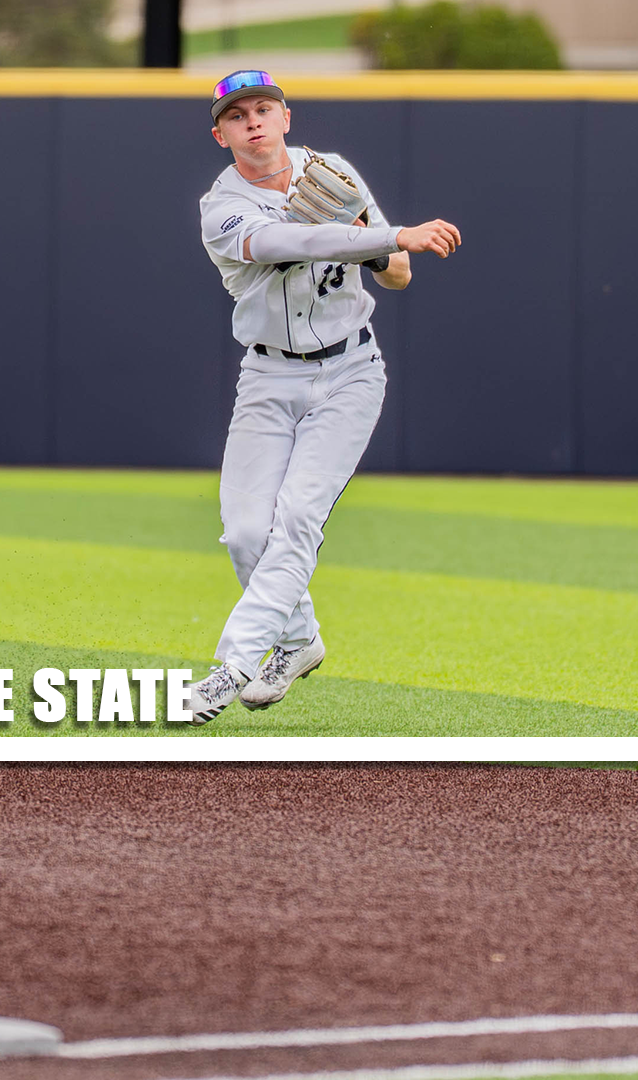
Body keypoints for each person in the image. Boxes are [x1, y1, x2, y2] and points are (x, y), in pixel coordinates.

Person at [184, 71, 461, 723]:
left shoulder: (333, 172)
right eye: (236, 115)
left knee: (299, 516)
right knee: (247, 532)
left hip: (350, 372)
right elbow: (286, 242)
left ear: (286, 116)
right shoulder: (220, 206)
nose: (252, 120)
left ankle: (234, 665)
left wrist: (379, 242)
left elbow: (399, 275)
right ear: (220, 135)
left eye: (263, 108)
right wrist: (387, 234)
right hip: (269, 377)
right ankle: (301, 640)